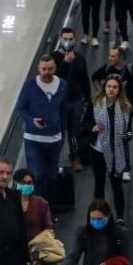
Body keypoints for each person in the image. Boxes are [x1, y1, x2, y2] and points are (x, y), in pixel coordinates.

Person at [15, 55, 68, 203]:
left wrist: (62, 132)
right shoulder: (30, 86)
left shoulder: (62, 85)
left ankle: (46, 208)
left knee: (50, 176)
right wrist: (32, 121)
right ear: (38, 69)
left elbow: (64, 110)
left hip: (55, 139)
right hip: (33, 139)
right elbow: (20, 108)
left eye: (50, 69)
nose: (46, 72)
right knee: (36, 175)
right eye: (43, 69)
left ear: (55, 68)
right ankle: (31, 206)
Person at [83, 77, 133, 220]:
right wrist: (92, 127)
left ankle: (120, 218)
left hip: (116, 151)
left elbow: (129, 131)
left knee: (116, 185)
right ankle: (99, 215)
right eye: (109, 86)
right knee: (99, 183)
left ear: (119, 90)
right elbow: (85, 122)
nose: (111, 89)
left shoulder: (126, 108)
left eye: (114, 87)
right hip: (98, 149)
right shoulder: (95, 103)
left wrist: (127, 135)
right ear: (104, 88)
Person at [52, 27, 92, 172]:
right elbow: (54, 79)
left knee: (75, 132)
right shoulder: (53, 58)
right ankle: (54, 161)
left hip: (76, 100)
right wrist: (66, 63)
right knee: (58, 133)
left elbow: (85, 79)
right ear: (61, 39)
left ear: (74, 40)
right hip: (59, 103)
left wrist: (88, 99)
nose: (68, 42)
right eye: (65, 39)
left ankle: (75, 157)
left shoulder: (80, 59)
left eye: (70, 39)